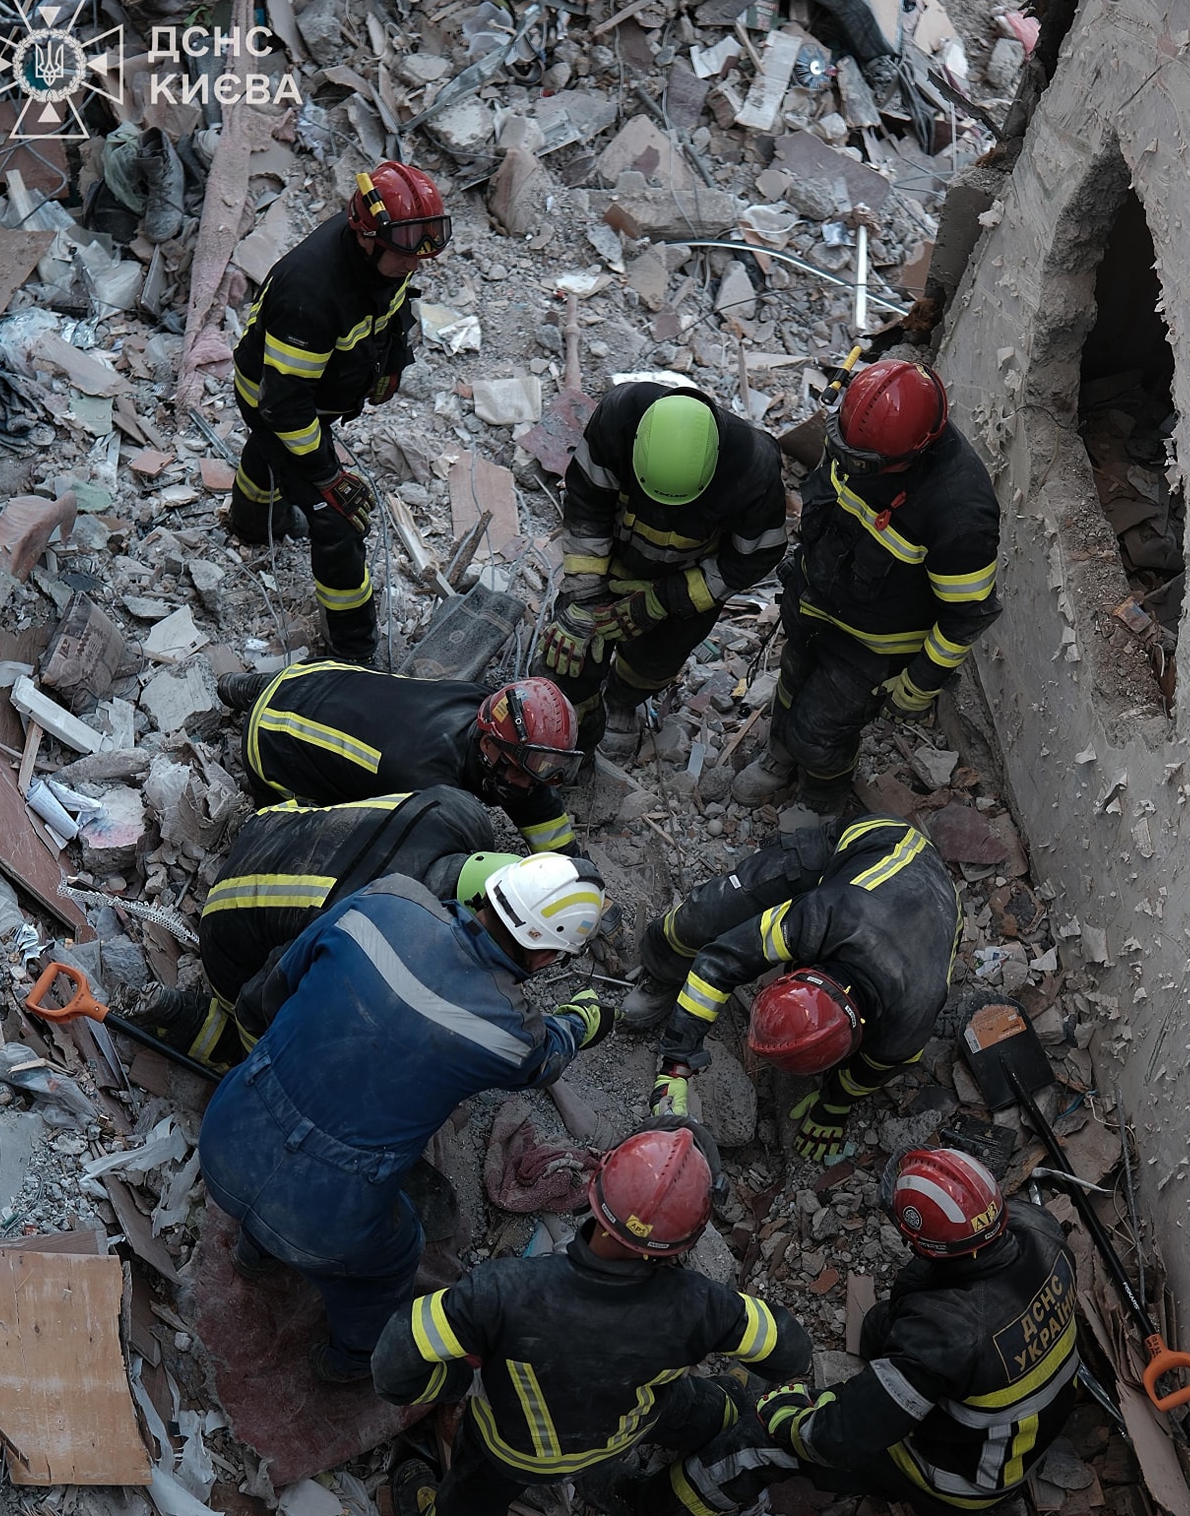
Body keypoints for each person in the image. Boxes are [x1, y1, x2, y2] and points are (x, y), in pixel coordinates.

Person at [197, 853, 613, 1382]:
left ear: (493, 889)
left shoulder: (384, 898)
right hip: (322, 1223)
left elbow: (278, 989)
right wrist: (582, 1020)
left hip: (227, 1135)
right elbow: (543, 1061)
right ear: (548, 956)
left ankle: (253, 1254)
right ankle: (347, 1364)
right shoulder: (511, 1033)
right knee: (393, 1258)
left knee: (286, 1153)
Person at [371, 1122, 810, 1516]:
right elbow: (790, 1354)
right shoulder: (699, 1306)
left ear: (596, 1191)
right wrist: (728, 1316)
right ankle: (729, 1421)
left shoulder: (500, 1292)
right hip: (624, 1433)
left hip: (513, 1452)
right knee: (691, 1403)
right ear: (688, 1239)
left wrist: (456, 1382)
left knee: (475, 1494)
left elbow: (392, 1366)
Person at [634, 1147, 1080, 1516]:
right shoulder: (1036, 1226)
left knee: (760, 1436)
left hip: (965, 1475)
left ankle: (654, 1509)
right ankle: (901, 1391)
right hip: (1018, 1424)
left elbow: (839, 1438)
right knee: (884, 1322)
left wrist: (788, 1418)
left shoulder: (943, 1335)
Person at [732, 361, 1001, 812]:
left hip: (872, 647)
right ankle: (779, 757)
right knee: (791, 683)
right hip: (814, 603)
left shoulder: (959, 513)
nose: (848, 465)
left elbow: (967, 614)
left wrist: (918, 684)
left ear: (910, 455)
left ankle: (822, 799)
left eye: (863, 464)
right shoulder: (858, 437)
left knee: (819, 732)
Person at [627, 815, 960, 1162]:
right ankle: (662, 966)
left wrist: (833, 1107)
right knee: (701, 917)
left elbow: (873, 1070)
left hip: (938, 901)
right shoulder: (823, 916)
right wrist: (677, 1065)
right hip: (880, 842)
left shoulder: (912, 1020)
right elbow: (722, 960)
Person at [129, 784, 518, 1069]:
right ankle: (203, 1029)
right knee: (310, 1036)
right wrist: (263, 1068)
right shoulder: (368, 926)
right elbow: (257, 1000)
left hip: (271, 829)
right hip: (226, 932)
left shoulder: (457, 810)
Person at [227, 161, 448, 663]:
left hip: (312, 396)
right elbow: (283, 410)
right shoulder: (311, 293)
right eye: (403, 256)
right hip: (274, 400)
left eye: (420, 255)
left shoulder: (385, 254)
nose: (414, 266)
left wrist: (393, 362)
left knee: (269, 459)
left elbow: (395, 305)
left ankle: (249, 522)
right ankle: (354, 651)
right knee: (340, 523)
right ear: (367, 238)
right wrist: (328, 477)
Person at [534, 383, 787, 758]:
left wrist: (665, 601)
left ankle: (621, 701)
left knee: (657, 658)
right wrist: (584, 598)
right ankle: (574, 719)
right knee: (572, 647)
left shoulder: (752, 465)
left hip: (687, 579)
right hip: (611, 559)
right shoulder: (618, 419)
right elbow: (587, 506)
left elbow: (754, 556)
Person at [219, 667, 585, 858]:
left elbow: (531, 797)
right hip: (270, 745)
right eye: (522, 771)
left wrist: (572, 865)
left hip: (305, 675)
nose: (527, 784)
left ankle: (243, 686)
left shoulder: (481, 704)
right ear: (488, 745)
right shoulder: (425, 782)